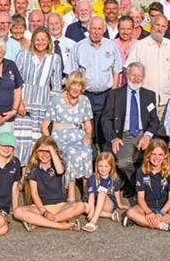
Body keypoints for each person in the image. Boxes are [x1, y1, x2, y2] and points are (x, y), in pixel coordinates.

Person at [12, 136, 88, 232]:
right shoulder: (33, 168)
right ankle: (60, 225)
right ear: (36, 152)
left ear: (54, 152)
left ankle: (40, 223)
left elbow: (60, 171)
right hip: (40, 207)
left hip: (60, 206)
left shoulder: (58, 164)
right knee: (18, 212)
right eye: (41, 151)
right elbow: (34, 193)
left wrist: (51, 150)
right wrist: (44, 212)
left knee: (81, 206)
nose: (44, 154)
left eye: (47, 151)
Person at [101, 62, 159, 188]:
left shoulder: (149, 95)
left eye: (139, 75)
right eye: (133, 75)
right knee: (123, 163)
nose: (136, 78)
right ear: (127, 75)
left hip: (143, 133)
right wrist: (113, 138)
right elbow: (105, 119)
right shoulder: (114, 94)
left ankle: (150, 186)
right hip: (123, 134)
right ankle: (136, 185)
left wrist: (147, 136)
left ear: (143, 77)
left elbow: (154, 120)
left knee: (155, 158)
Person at [13, 26, 64, 165]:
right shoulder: (23, 55)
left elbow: (57, 87)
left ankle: (34, 177)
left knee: (39, 144)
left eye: (43, 40)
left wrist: (51, 110)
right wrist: (19, 103)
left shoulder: (54, 58)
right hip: (24, 105)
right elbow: (15, 81)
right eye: (37, 39)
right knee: (21, 142)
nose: (40, 42)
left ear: (48, 41)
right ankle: (19, 177)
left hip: (43, 106)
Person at [68, 16, 121, 147]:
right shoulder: (78, 47)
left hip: (106, 95)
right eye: (94, 28)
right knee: (84, 130)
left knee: (104, 130)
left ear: (104, 30)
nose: (97, 32)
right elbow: (72, 73)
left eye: (99, 29)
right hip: (85, 95)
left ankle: (103, 161)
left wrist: (114, 90)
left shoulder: (111, 46)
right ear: (88, 29)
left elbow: (117, 70)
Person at [43, 70, 94, 202]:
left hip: (79, 135)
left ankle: (86, 187)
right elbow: (44, 126)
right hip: (60, 136)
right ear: (69, 84)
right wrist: (50, 144)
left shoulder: (84, 100)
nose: (76, 88)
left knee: (86, 151)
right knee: (71, 152)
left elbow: (88, 124)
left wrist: (88, 135)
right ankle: (70, 188)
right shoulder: (56, 100)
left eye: (80, 86)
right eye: (74, 84)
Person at [123, 139, 170, 234]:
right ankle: (167, 227)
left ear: (165, 155)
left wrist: (160, 214)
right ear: (148, 154)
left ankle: (140, 222)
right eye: (153, 154)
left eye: (160, 154)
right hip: (146, 207)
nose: (157, 158)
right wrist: (148, 212)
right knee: (131, 212)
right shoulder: (141, 171)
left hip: (164, 208)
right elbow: (140, 198)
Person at [125, 14, 170, 123]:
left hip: (165, 99)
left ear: (166, 28)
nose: (160, 29)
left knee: (163, 134)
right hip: (145, 99)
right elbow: (128, 70)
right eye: (157, 25)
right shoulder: (140, 46)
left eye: (163, 26)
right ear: (151, 25)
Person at [84, 152, 126, 232]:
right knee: (84, 207)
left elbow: (117, 191)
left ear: (111, 167)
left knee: (102, 193)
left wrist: (119, 203)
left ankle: (93, 221)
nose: (103, 169)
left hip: (108, 204)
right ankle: (110, 215)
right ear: (96, 166)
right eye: (100, 166)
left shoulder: (115, 178)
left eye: (106, 166)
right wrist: (91, 209)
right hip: (96, 204)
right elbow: (91, 195)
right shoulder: (93, 177)